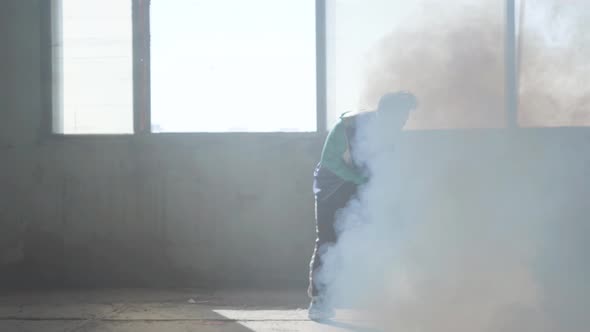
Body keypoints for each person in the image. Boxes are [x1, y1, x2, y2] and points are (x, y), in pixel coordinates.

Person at [307, 91, 418, 321]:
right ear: (386, 112)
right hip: (332, 189)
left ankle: (372, 296)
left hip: (359, 187)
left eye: (406, 117)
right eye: (402, 116)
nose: (404, 122)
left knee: (378, 234)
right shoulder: (347, 126)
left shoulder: (393, 134)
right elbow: (329, 160)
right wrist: (359, 179)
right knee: (328, 240)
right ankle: (318, 301)